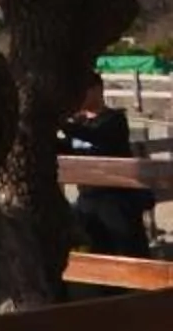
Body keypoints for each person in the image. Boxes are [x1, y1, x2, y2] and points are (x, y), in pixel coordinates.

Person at [59, 80, 152, 261]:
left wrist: (60, 122)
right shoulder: (80, 122)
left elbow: (98, 137)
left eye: (82, 91)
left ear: (97, 90)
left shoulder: (114, 120)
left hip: (117, 199)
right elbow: (69, 150)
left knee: (129, 253)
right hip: (87, 199)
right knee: (98, 253)